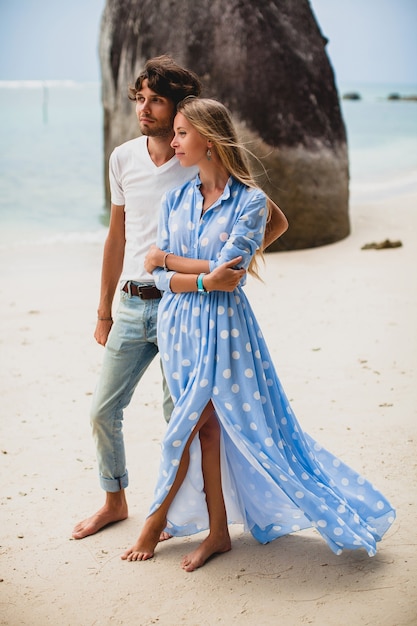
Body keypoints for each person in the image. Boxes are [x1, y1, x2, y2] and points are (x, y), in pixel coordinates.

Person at [121, 97, 395, 571]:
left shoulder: (248, 201)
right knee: (207, 431)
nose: (174, 141)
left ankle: (155, 519)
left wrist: (168, 260)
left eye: (183, 133)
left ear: (209, 138)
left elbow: (232, 272)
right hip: (179, 326)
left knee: (182, 431)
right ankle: (219, 533)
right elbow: (168, 280)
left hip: (225, 328)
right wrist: (195, 275)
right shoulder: (175, 198)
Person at [72, 56, 287, 540]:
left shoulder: (195, 158)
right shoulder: (123, 157)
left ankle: (175, 512)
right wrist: (104, 310)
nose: (144, 109)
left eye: (156, 101)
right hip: (131, 302)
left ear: (180, 110)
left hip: (183, 308)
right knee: (103, 411)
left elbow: (270, 219)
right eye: (140, 100)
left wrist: (230, 266)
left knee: (181, 418)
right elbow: (117, 237)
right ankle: (114, 501)